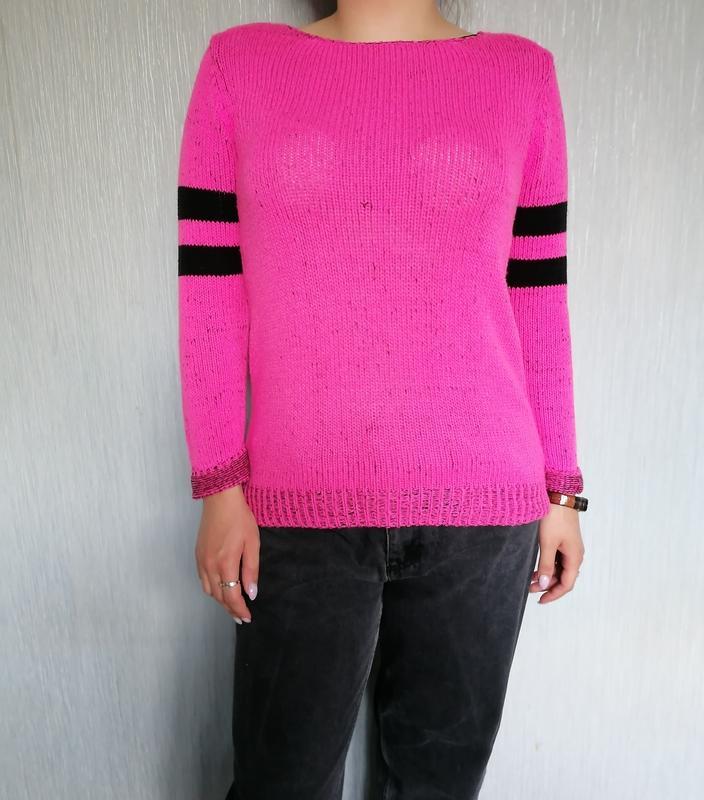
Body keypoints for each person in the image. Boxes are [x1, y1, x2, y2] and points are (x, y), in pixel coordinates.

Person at [176, 2, 588, 798]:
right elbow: (210, 290)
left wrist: (562, 489)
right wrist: (219, 486)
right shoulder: (239, 67)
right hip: (295, 507)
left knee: (438, 784)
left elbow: (539, 292)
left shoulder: (521, 75)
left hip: (484, 510)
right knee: (279, 781)